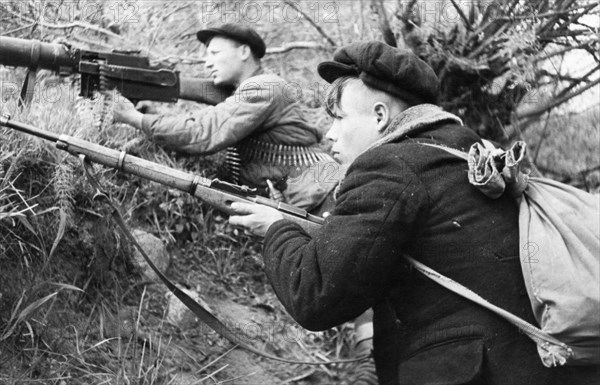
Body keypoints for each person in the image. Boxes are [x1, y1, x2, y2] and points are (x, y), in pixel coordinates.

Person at [229, 41, 599, 384]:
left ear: (378, 116)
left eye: (338, 118)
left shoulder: (390, 166)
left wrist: (278, 227)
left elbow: (315, 296)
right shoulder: (465, 155)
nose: (329, 134)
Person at [111, 23, 338, 212]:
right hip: (305, 196)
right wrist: (150, 89)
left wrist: (135, 118)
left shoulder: (263, 88)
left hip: (321, 197)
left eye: (215, 53)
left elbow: (201, 132)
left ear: (243, 52)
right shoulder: (251, 88)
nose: (207, 62)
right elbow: (197, 93)